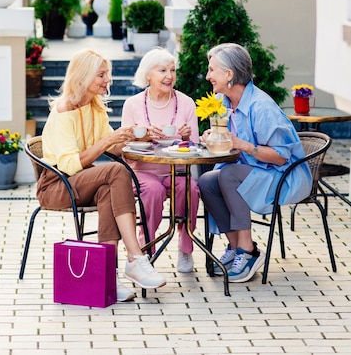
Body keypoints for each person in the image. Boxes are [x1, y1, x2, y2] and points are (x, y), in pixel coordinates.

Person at [37, 49, 167, 302]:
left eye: (107, 74)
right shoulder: (65, 111)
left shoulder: (95, 108)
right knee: (115, 172)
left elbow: (113, 149)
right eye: (101, 75)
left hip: (79, 182)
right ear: (84, 77)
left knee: (110, 187)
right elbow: (71, 164)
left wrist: (135, 136)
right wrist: (109, 139)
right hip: (55, 186)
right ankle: (136, 257)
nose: (107, 80)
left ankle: (108, 278)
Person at [198, 43, 312, 283]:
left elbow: (281, 156)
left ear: (229, 75)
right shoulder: (223, 102)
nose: (208, 76)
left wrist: (242, 145)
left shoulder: (261, 107)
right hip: (252, 170)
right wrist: (213, 139)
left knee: (228, 176)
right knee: (207, 180)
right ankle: (234, 246)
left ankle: (248, 251)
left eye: (212, 70)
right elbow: (229, 143)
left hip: (282, 175)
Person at [121, 47, 200, 273]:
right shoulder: (133, 104)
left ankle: (186, 247)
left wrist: (186, 137)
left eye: (173, 70)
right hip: (143, 171)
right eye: (162, 70)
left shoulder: (186, 103)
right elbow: (124, 145)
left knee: (191, 189)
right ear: (148, 75)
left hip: (177, 170)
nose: (169, 76)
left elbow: (194, 147)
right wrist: (142, 134)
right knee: (153, 191)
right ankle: (146, 249)